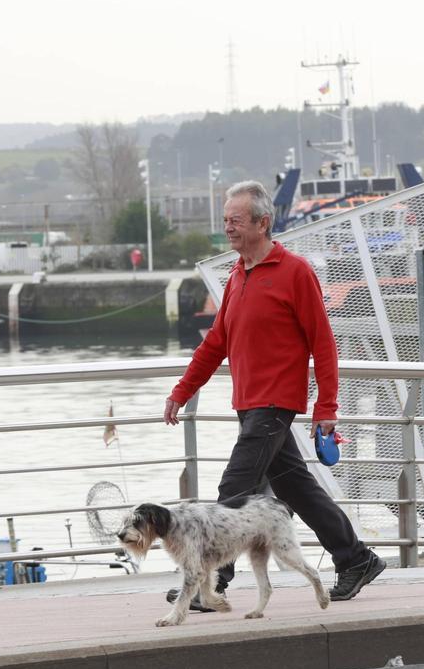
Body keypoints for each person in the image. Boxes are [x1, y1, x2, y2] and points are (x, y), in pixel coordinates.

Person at [163, 180, 385, 611]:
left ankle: (211, 586)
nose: (228, 227)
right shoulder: (238, 275)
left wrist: (327, 408)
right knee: (297, 488)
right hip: (248, 405)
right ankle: (356, 559)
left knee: (234, 489)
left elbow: (323, 344)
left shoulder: (295, 272)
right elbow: (216, 344)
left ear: (263, 223)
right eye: (225, 220)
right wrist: (182, 390)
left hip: (275, 403)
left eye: (236, 220)